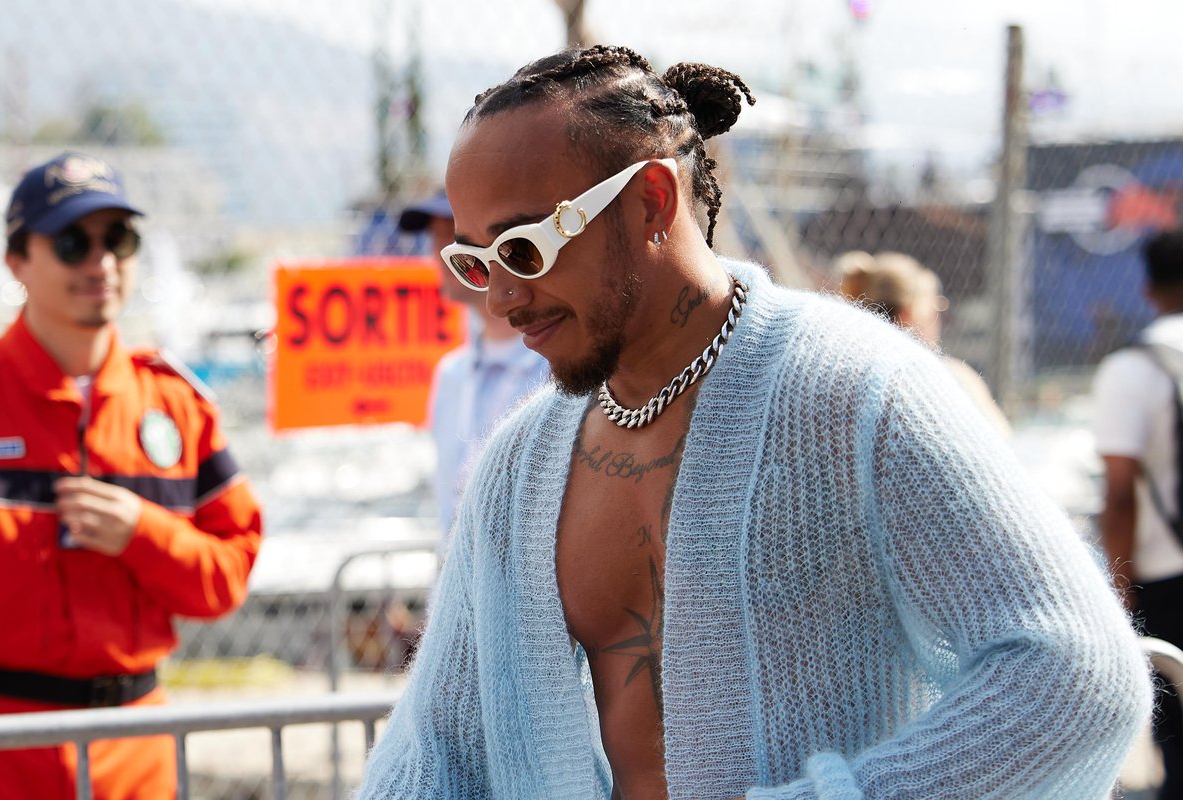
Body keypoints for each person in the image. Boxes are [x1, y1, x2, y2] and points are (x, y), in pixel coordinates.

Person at [359, 45, 1150, 800]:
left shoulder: (858, 395)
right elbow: (435, 751)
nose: (501, 297)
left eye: (525, 249)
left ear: (650, 202)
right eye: (474, 262)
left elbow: (1076, 676)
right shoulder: (518, 468)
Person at [0, 152, 263, 799]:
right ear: (16, 262)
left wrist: (142, 533)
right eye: (73, 242)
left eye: (119, 239)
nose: (101, 262)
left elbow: (227, 578)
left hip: (137, 753)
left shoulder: (178, 404)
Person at [399, 189, 548, 544]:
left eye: (453, 236)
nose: (439, 253)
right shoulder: (451, 375)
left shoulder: (557, 372)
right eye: (434, 237)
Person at [1093, 229, 1183, 799]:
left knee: (1175, 739)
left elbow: (1120, 493)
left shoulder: (1133, 368)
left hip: (1165, 573)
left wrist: (1119, 584)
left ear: (1148, 290)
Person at [835, 249, 1010, 436]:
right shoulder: (952, 377)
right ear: (908, 316)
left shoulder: (843, 377)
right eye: (937, 307)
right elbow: (1002, 441)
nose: (940, 320)